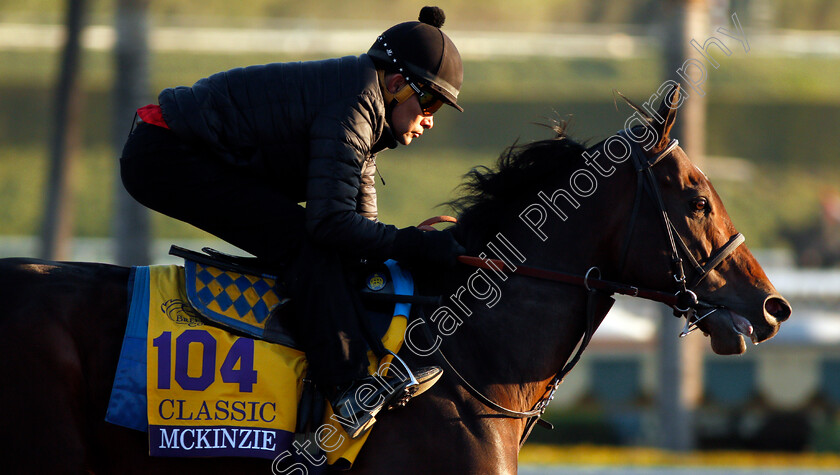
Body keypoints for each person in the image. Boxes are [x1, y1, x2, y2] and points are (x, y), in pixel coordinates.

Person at [119, 6, 465, 438]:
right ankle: (349, 391)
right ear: (396, 84)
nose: (430, 118)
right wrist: (412, 244)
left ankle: (350, 373)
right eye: (429, 100)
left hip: (180, 151)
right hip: (166, 155)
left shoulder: (364, 111)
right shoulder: (354, 105)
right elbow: (330, 226)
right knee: (308, 247)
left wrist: (409, 244)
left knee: (329, 252)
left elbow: (357, 239)